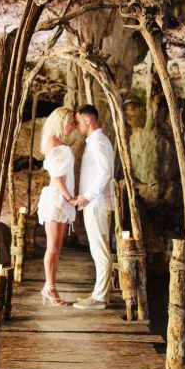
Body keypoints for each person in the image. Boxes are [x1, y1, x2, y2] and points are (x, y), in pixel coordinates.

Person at [71, 104, 115, 310]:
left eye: (78, 121)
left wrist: (87, 196)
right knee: (97, 250)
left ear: (88, 120)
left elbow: (106, 173)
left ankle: (100, 298)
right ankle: (100, 292)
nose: (76, 125)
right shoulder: (95, 142)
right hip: (94, 203)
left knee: (100, 251)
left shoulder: (98, 142)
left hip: (97, 203)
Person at [36, 106, 78, 306]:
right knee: (52, 246)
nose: (73, 126)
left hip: (60, 198)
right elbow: (58, 177)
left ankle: (51, 286)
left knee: (57, 246)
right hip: (56, 198)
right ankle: (49, 287)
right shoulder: (53, 142)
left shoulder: (58, 143)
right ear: (61, 122)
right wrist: (70, 198)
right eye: (71, 122)